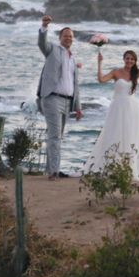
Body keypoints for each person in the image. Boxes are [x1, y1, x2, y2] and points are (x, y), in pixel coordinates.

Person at [84, 30, 139, 179]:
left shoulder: (136, 74)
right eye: (127, 59)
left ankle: (126, 168)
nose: (129, 61)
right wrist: (99, 63)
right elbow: (101, 80)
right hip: (117, 108)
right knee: (113, 135)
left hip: (132, 109)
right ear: (123, 59)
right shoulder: (116, 72)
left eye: (132, 59)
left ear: (134, 61)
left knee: (129, 136)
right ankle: (111, 166)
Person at [37, 15, 82, 180]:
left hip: (67, 102)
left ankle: (51, 169)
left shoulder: (72, 59)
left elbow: (75, 85)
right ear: (60, 38)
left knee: (56, 136)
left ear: (73, 39)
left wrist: (78, 107)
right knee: (55, 136)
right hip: (52, 98)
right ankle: (54, 172)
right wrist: (44, 27)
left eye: (70, 36)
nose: (68, 38)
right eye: (65, 36)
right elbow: (41, 43)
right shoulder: (52, 50)